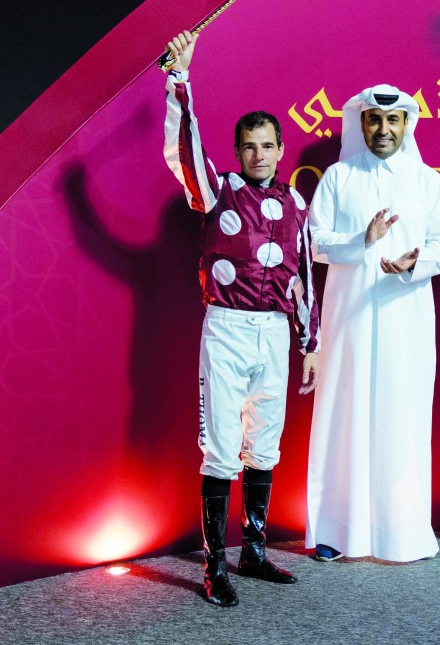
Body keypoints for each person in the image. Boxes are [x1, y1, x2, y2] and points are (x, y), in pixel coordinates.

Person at [162, 30, 320, 608]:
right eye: (248, 146)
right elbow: (184, 151)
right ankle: (214, 566)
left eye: (267, 145)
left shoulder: (298, 205)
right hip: (227, 328)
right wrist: (181, 81)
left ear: (282, 149)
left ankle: (253, 551)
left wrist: (312, 341)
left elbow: (303, 274)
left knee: (265, 444)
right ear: (238, 152)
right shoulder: (218, 190)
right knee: (222, 447)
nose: (258, 154)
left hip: (275, 333)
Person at [305, 84, 440, 563]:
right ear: (362, 123)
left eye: (394, 121)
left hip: (404, 316)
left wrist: (414, 264)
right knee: (343, 414)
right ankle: (335, 529)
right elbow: (315, 243)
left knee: (401, 414)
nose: (384, 130)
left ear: (407, 124)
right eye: (374, 120)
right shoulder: (337, 177)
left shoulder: (426, 180)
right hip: (349, 318)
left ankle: (402, 531)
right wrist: (362, 241)